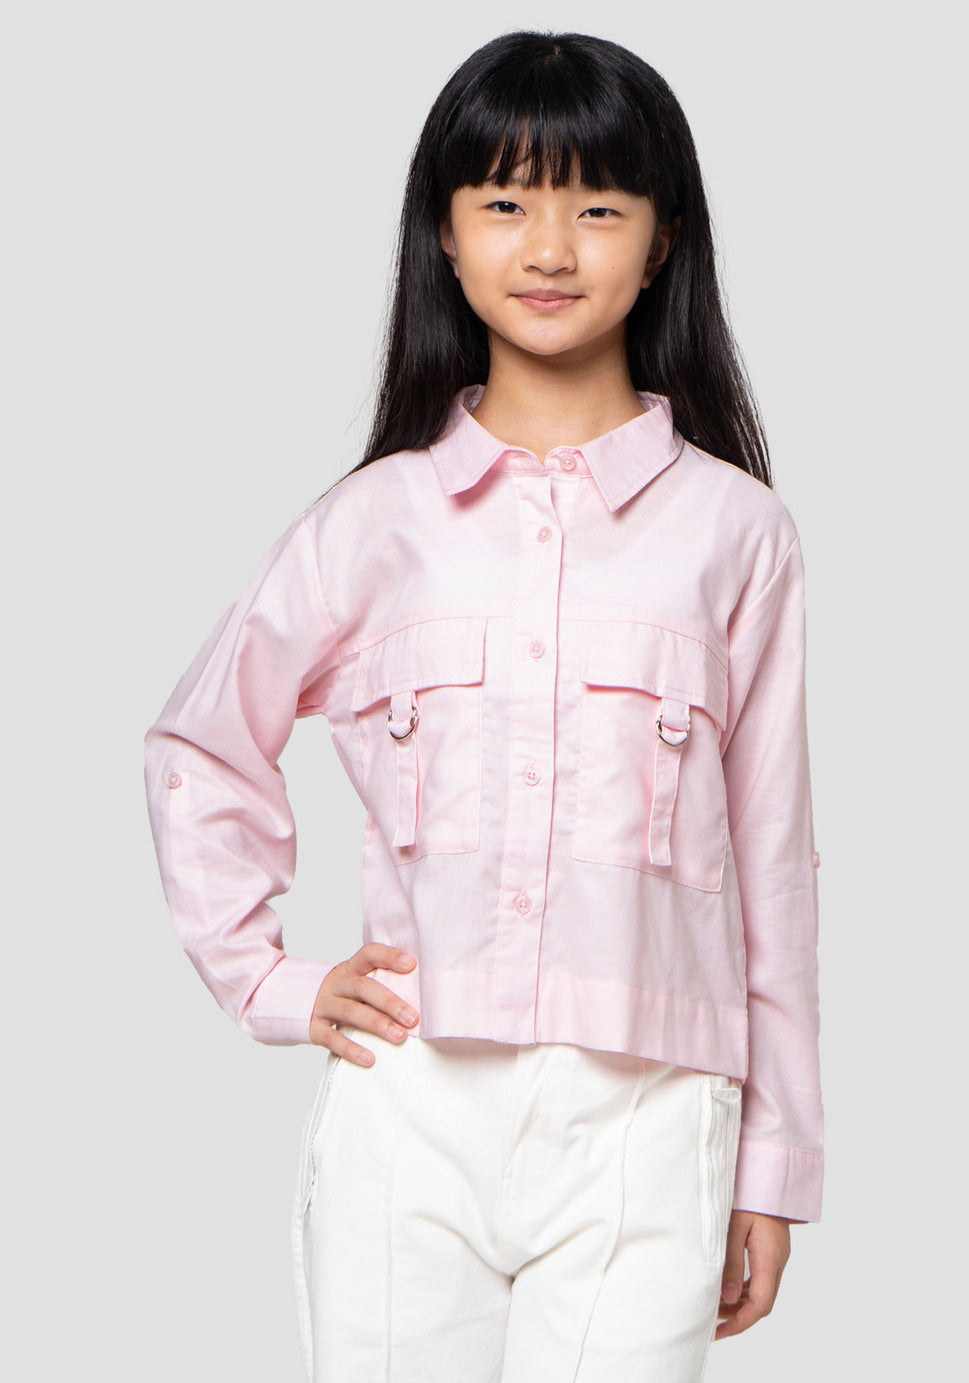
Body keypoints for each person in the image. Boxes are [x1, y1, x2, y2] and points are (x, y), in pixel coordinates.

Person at [143, 28, 825, 1383]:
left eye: (599, 206)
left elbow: (775, 861)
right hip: (411, 1114)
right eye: (506, 202)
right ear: (445, 236)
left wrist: (777, 1157)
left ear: (663, 240)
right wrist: (271, 982)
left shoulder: (737, 534)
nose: (551, 248)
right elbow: (200, 746)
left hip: (652, 1119)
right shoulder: (371, 524)